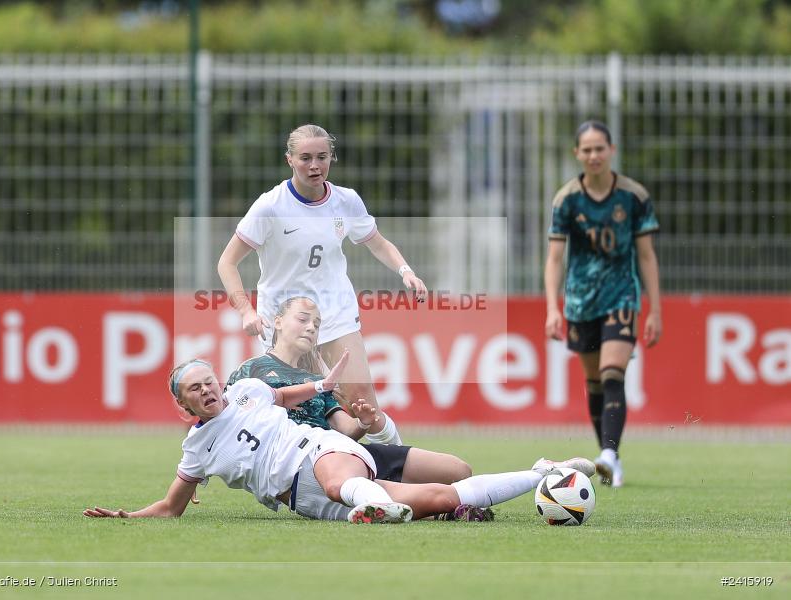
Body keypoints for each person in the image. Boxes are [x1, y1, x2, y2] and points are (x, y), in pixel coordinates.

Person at [83, 359, 596, 524]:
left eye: (209, 381)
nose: (208, 390)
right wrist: (128, 516)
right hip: (304, 499)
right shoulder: (196, 451)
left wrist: (321, 386)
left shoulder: (247, 390)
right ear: (184, 407)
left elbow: (284, 395)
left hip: (321, 453)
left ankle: (377, 509)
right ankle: (545, 472)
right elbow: (172, 507)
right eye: (195, 389)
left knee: (337, 481)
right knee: (442, 498)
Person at [217, 123, 428, 446]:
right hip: (285, 321)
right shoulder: (270, 206)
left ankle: (399, 461)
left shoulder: (346, 201)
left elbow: (377, 243)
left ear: (332, 158)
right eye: (305, 158)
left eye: (322, 157)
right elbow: (227, 262)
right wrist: (246, 310)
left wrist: (405, 271)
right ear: (289, 160)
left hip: (335, 312)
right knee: (313, 409)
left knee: (362, 402)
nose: (314, 166)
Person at [226, 295, 475, 503]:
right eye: (303, 319)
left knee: (459, 471)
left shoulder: (317, 380)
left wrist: (363, 423)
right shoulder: (252, 371)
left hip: (345, 452)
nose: (311, 328)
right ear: (278, 322)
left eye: (316, 324)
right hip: (311, 467)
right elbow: (221, 422)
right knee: (423, 498)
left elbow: (346, 430)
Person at [544, 120, 663, 488]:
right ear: (577, 154)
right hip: (580, 302)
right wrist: (553, 308)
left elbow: (646, 256)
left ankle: (608, 455)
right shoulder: (566, 199)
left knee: (613, 373)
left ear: (612, 150)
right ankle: (611, 455)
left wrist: (655, 310)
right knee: (594, 382)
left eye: (600, 148)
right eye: (587, 149)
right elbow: (554, 258)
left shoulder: (634, 197)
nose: (594, 155)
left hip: (622, 295)